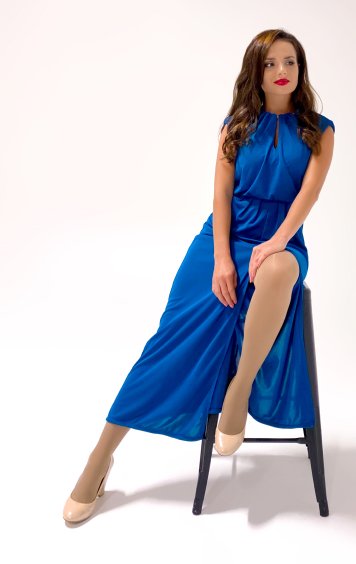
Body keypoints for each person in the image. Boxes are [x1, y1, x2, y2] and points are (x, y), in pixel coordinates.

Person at [63, 28, 335, 522]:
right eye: (271, 63)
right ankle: (99, 458)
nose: (282, 71)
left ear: (301, 68)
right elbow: (221, 195)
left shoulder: (320, 129)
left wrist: (275, 242)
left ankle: (238, 391)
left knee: (278, 270)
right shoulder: (235, 126)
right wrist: (223, 259)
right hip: (223, 239)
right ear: (255, 71)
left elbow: (308, 195)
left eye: (291, 62)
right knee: (169, 343)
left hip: (283, 238)